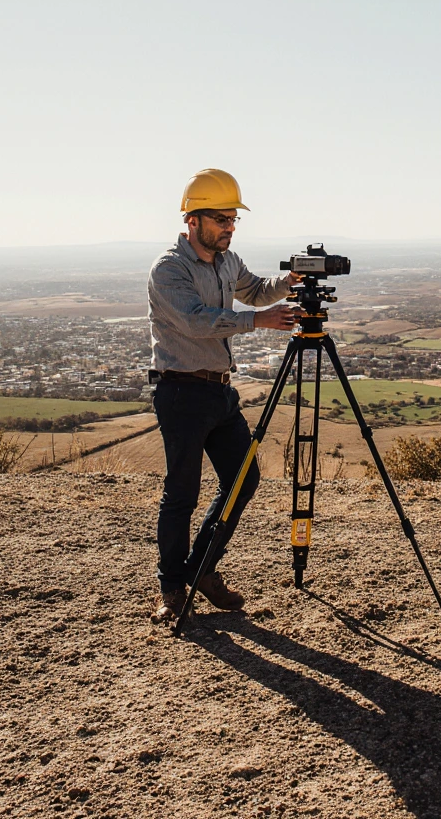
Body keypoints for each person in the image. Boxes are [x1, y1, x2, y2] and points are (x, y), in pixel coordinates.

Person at [147, 168, 301, 624]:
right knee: (182, 493)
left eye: (234, 219)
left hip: (219, 391)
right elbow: (196, 320)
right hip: (181, 390)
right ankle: (172, 589)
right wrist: (261, 321)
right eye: (221, 219)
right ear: (192, 220)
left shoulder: (227, 261)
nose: (230, 227)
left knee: (243, 480)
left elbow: (254, 291)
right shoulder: (169, 269)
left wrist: (290, 280)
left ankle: (201, 570)